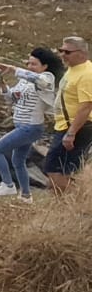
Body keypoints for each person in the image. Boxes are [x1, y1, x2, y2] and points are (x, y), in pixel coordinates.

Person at [0, 47, 61, 200]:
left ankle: (7, 185)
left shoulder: (47, 78)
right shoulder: (24, 80)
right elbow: (13, 98)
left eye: (34, 64)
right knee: (18, 160)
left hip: (31, 126)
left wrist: (15, 69)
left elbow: (38, 80)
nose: (29, 67)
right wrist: (2, 84)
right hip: (21, 124)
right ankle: (26, 196)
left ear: (45, 66)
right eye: (28, 63)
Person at [40, 36, 92, 193]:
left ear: (81, 53)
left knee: (53, 168)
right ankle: (61, 205)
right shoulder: (72, 69)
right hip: (65, 125)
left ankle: (76, 203)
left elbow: (86, 105)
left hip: (77, 127)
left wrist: (71, 133)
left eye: (67, 52)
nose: (62, 54)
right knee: (63, 170)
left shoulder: (87, 74)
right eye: (61, 50)